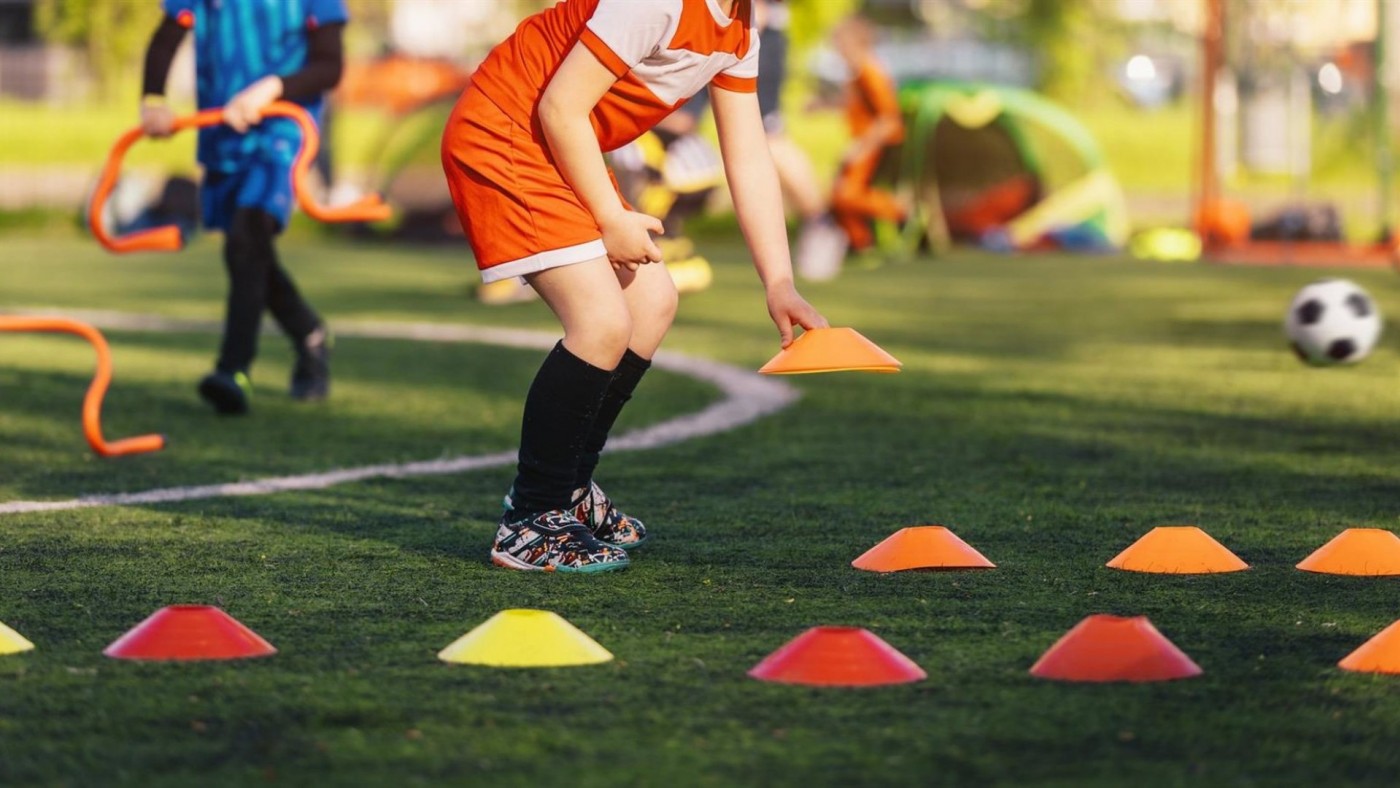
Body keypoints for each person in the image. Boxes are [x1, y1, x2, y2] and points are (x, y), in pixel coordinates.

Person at [441, 0, 828, 573]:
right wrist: (609, 215)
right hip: (507, 133)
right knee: (600, 323)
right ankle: (530, 519)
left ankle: (569, 491)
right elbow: (561, 107)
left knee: (651, 302)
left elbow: (747, 156)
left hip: (553, 142)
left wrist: (779, 280)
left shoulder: (742, 28)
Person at [140, 0, 347, 415]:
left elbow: (329, 66)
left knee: (248, 234)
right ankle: (308, 332)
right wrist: (153, 100)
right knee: (246, 252)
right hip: (222, 138)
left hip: (282, 133)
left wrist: (273, 87)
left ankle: (233, 370)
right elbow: (166, 37)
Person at [828, 16, 907, 258]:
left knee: (846, 194)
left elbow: (889, 119)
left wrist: (862, 147)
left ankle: (901, 211)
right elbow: (854, 105)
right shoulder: (856, 73)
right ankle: (860, 243)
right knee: (836, 196)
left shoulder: (871, 71)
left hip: (873, 143)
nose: (836, 49)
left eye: (839, 42)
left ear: (855, 43)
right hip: (860, 141)